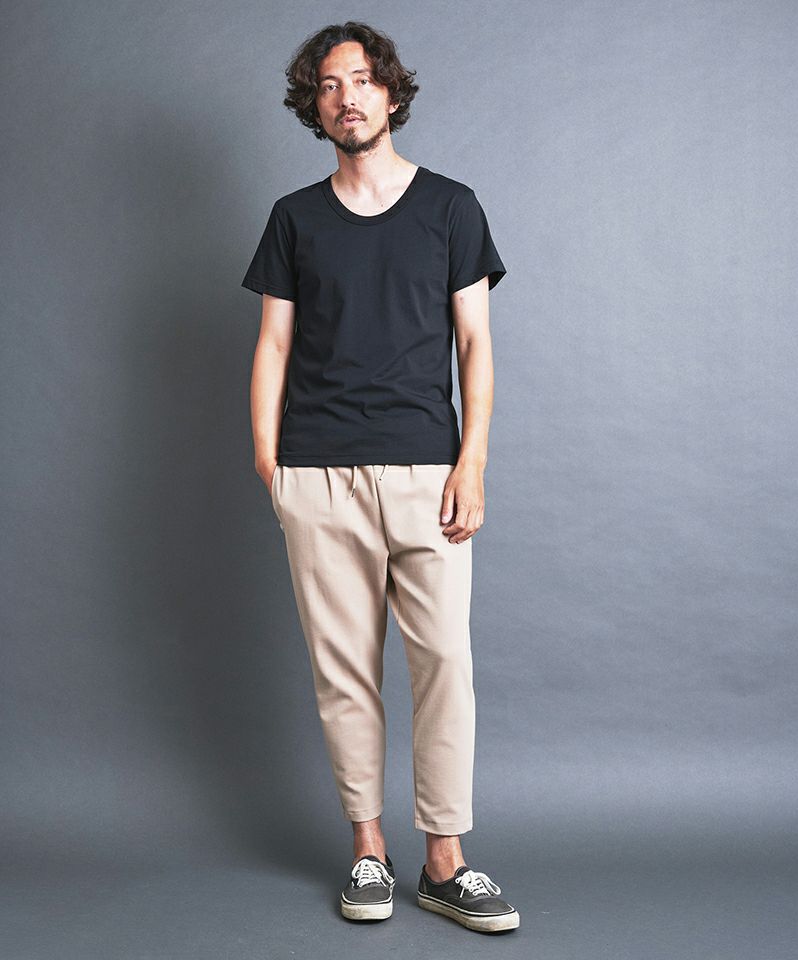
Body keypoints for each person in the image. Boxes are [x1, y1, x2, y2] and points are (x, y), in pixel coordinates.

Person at [241, 21, 519, 933]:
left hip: (427, 470)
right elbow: (273, 343)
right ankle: (369, 850)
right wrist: (269, 462)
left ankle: (445, 861)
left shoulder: (451, 207)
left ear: (391, 93)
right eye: (329, 85)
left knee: (445, 665)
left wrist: (472, 461)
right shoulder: (295, 217)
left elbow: (475, 344)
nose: (346, 97)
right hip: (316, 473)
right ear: (313, 107)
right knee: (343, 673)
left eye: (362, 80)